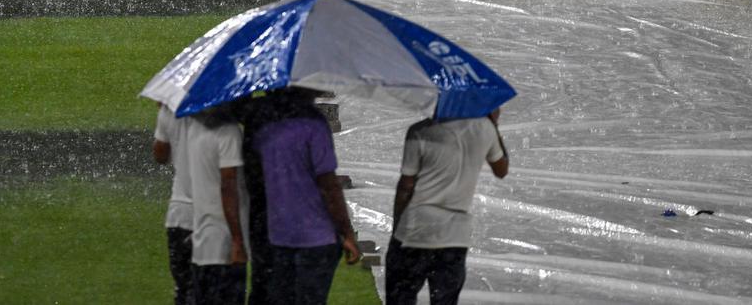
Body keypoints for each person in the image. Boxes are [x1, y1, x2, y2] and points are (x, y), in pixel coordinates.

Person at [385, 108, 510, 305]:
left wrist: (397, 226)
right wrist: (494, 126)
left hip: (415, 231)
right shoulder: (485, 129)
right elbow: (502, 169)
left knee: (401, 297)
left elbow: (406, 187)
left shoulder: (420, 131)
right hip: (454, 236)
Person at [251, 88, 360, 304]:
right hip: (315, 235)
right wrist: (347, 232)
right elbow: (328, 185)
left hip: (279, 234)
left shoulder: (265, 126)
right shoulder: (313, 125)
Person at [186, 105, 249, 305]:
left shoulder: (194, 129)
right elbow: (228, 187)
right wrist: (238, 240)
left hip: (202, 241)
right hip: (225, 242)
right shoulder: (228, 133)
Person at [152, 103, 194, 305]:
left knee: (183, 288)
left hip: (178, 216)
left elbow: (160, 155)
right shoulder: (224, 122)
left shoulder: (168, 110)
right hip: (214, 220)